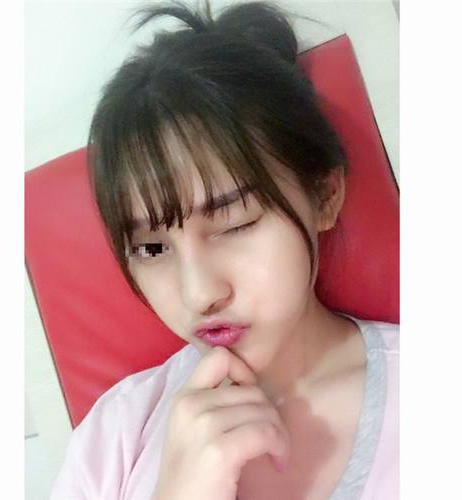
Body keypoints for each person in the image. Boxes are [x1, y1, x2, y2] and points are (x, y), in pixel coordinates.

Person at [50, 1, 399, 499]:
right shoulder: (115, 436)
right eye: (152, 248)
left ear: (324, 195)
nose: (200, 294)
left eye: (235, 223)